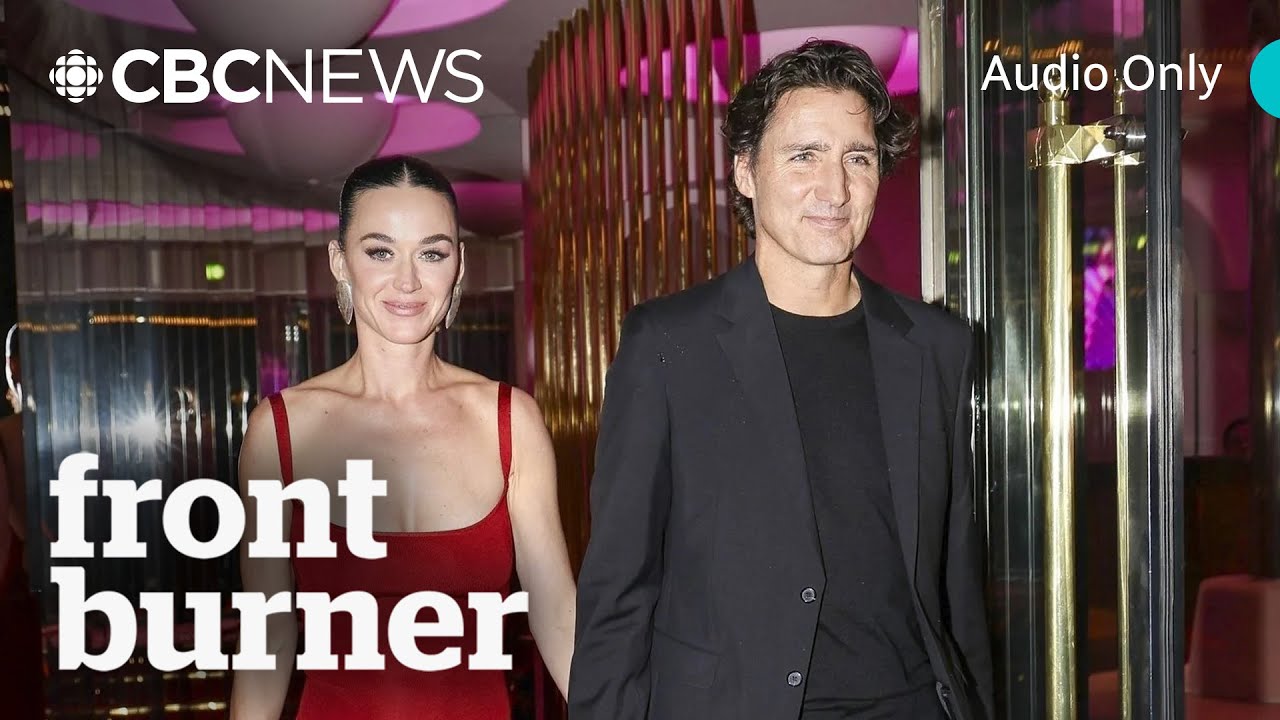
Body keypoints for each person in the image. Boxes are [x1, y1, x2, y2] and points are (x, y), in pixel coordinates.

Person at [568, 40, 994, 720]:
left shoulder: (936, 346)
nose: (836, 189)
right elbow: (618, 593)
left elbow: (955, 583)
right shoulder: (669, 345)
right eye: (804, 156)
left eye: (858, 158)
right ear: (745, 171)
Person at [230, 156, 577, 719]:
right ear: (340, 262)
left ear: (458, 266)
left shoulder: (511, 420)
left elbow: (558, 618)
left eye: (432, 253)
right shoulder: (280, 430)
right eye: (381, 252)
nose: (408, 281)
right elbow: (268, 639)